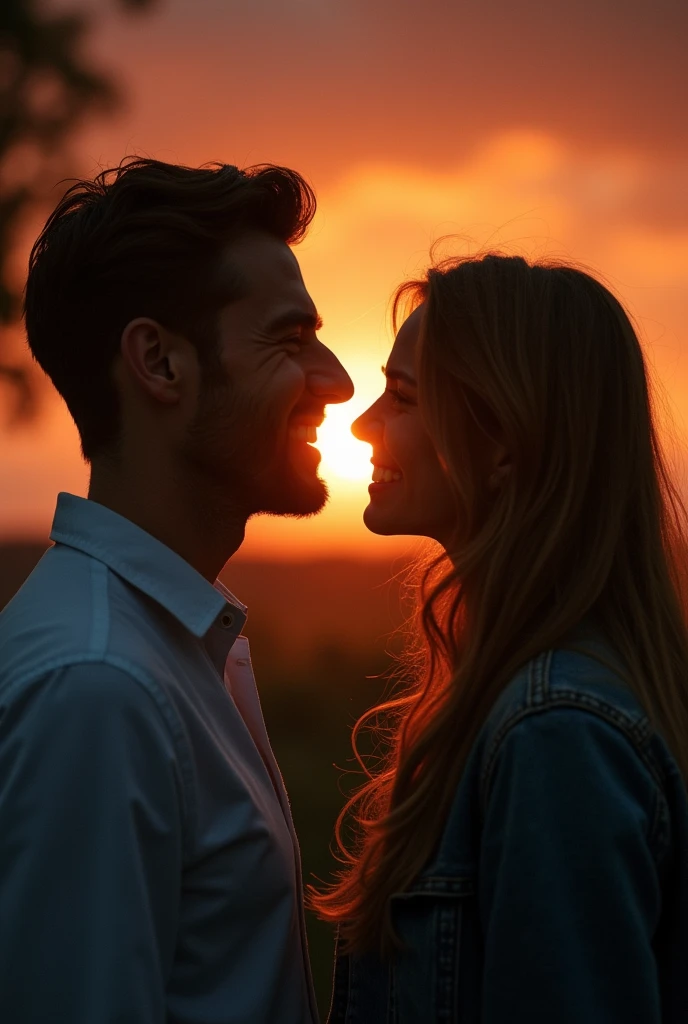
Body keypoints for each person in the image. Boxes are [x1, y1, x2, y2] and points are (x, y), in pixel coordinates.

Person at [0, 157, 354, 1023]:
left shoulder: (183, 646)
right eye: (288, 338)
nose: (338, 381)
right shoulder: (101, 686)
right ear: (159, 361)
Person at [311, 253, 688, 1022]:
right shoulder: (532, 705)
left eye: (403, 398)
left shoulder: (556, 732)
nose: (363, 424)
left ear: (505, 444)